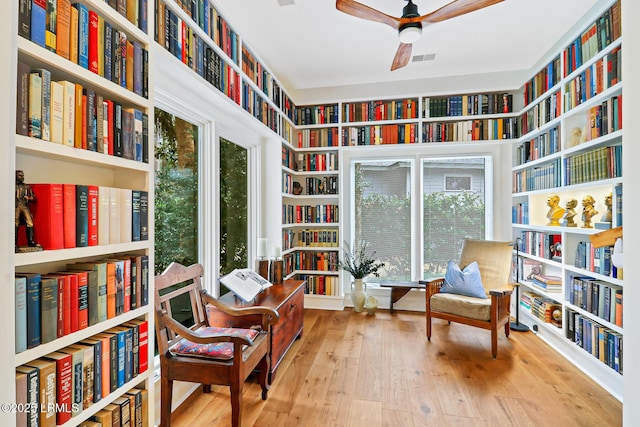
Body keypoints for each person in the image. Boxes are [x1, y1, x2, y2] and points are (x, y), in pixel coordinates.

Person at [15, 170, 38, 248]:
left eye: (23, 175)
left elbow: (34, 198)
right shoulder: (12, 186)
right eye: (20, 175)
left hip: (24, 206)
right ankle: (14, 243)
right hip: (16, 206)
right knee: (15, 223)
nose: (22, 177)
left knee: (30, 222)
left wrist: (28, 198)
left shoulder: (27, 187)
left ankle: (30, 241)